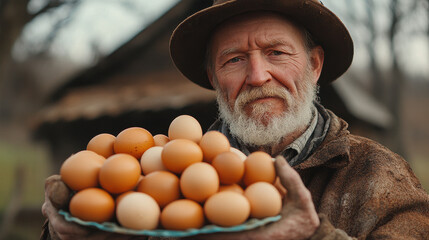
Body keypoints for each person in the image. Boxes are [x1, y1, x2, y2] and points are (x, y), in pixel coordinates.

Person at [41, 0, 429, 239]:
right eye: (234, 59)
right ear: (214, 78)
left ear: (313, 65)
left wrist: (310, 238)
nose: (258, 76)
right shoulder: (163, 174)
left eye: (276, 52)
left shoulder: (377, 175)